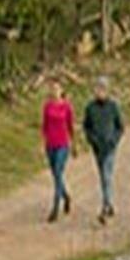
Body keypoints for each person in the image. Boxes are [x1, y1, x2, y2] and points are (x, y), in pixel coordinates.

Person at [84, 77, 125, 223]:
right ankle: (110, 203)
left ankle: (105, 207)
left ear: (107, 91)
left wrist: (114, 140)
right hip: (97, 148)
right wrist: (91, 139)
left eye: (102, 89)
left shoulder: (113, 106)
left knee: (106, 175)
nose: (99, 92)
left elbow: (120, 127)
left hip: (110, 148)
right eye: (97, 89)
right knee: (103, 176)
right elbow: (86, 126)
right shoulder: (90, 107)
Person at [41, 80, 75, 223]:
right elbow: (44, 126)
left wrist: (74, 145)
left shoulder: (67, 107)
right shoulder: (47, 106)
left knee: (58, 172)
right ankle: (66, 195)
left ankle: (55, 207)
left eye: (57, 88)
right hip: (50, 144)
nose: (54, 91)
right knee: (56, 175)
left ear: (61, 91)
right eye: (52, 89)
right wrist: (42, 143)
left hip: (63, 144)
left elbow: (70, 126)